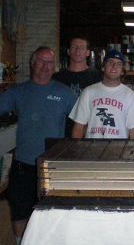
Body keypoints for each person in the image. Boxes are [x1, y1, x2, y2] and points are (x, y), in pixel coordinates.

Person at [0, 46, 76, 244]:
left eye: (50, 62)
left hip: (53, 167)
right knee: (19, 212)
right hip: (23, 165)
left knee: (51, 215)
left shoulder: (65, 94)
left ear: (55, 67)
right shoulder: (18, 92)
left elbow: (82, 121)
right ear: (32, 64)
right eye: (41, 61)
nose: (45, 66)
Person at [69, 49, 134, 139]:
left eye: (119, 64)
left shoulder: (130, 95)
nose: (114, 66)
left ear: (122, 70)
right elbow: (79, 126)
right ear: (103, 67)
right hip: (91, 150)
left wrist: (133, 152)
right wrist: (77, 151)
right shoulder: (88, 92)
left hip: (119, 151)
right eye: (110, 62)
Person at [53, 37, 102, 137]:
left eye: (82, 47)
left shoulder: (98, 77)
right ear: (68, 51)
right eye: (74, 47)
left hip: (89, 132)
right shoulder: (57, 77)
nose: (78, 50)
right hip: (61, 131)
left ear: (88, 52)